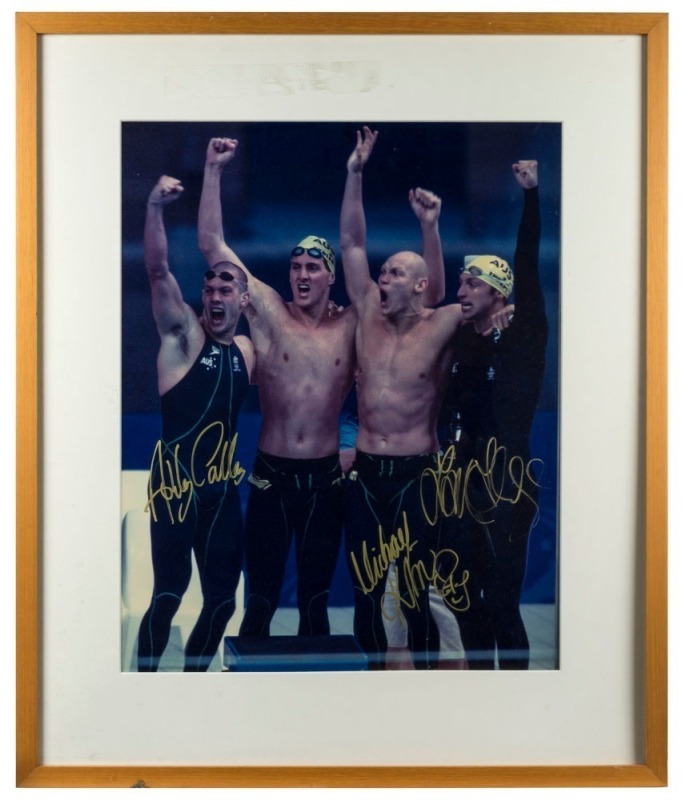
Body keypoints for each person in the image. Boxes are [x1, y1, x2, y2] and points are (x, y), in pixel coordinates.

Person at [198, 136, 446, 641]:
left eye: (312, 267)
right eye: (295, 266)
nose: (301, 274)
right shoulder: (268, 311)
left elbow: (412, 287)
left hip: (327, 482)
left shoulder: (356, 322)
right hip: (271, 476)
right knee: (261, 601)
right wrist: (213, 171)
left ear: (331, 276)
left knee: (315, 603)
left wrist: (358, 173)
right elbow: (213, 246)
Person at [340, 127, 469, 670]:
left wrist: (429, 228)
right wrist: (355, 173)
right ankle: (377, 676)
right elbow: (350, 244)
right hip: (368, 470)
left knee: (417, 582)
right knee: (368, 587)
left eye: (393, 271)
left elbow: (476, 297)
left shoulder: (441, 324)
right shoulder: (368, 310)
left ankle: (425, 681)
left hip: (419, 471)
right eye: (384, 270)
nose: (381, 277)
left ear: (416, 286)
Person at [138, 175, 255, 672]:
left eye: (225, 285)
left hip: (221, 491)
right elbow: (158, 269)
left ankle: (189, 686)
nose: (213, 293)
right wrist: (154, 207)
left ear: (244, 299)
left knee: (223, 602)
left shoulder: (249, 350)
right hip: (176, 488)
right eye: (208, 285)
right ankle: (142, 689)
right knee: (167, 594)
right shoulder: (184, 336)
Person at [443, 159, 547, 669]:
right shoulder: (462, 338)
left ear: (497, 293)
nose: (459, 291)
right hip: (464, 484)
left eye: (470, 284)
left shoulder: (525, 338)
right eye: (459, 282)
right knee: (466, 601)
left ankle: (519, 702)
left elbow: (526, 264)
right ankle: (484, 692)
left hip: (508, 485)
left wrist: (530, 196)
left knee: (503, 604)